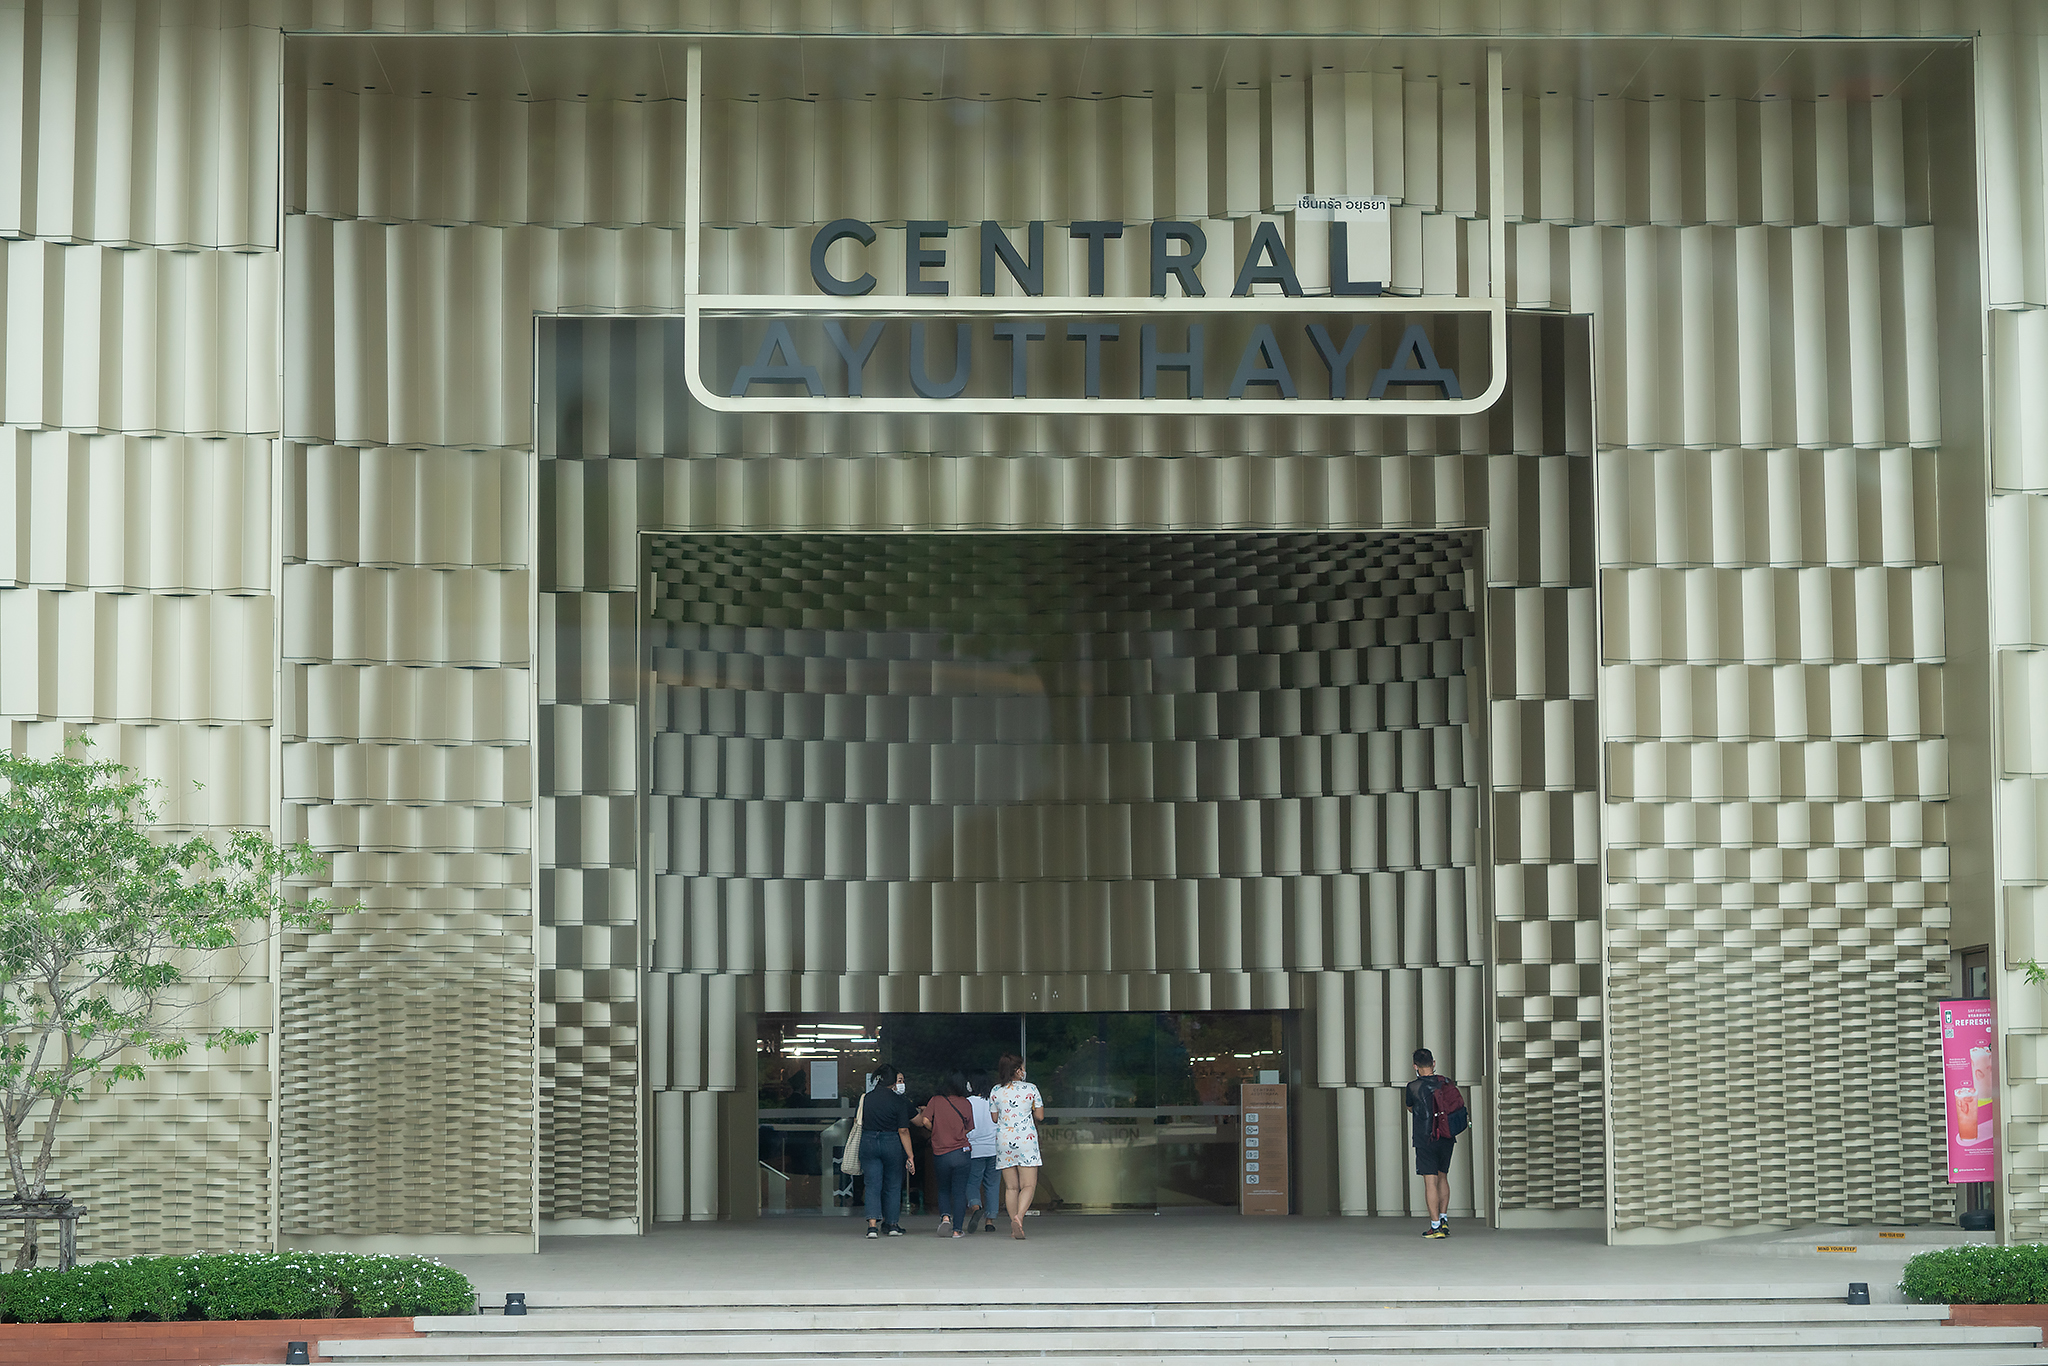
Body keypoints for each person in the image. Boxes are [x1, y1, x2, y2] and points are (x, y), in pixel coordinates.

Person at [1403, 1046, 1458, 1239]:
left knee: (1430, 1181)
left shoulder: (1413, 1087)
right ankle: (1444, 1220)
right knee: (1443, 1177)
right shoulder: (1447, 1082)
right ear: (1433, 1063)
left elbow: (1410, 1107)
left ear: (1415, 1067)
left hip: (1425, 1138)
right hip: (1446, 1136)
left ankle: (1435, 1227)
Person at [988, 1052, 1044, 1240]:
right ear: (1018, 1070)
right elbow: (1040, 1116)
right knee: (1028, 1185)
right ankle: (1019, 1217)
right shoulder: (1032, 1089)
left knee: (1011, 1187)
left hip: (1004, 1140)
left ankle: (1014, 1226)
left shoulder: (996, 1090)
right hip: (1026, 1140)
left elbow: (994, 1118)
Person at [858, 1062, 916, 1238]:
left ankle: (872, 1226)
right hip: (891, 1141)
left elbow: (857, 1121)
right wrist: (910, 1155)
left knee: (872, 1184)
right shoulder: (898, 1101)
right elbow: (903, 1130)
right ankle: (891, 1224)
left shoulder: (867, 1098)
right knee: (892, 1184)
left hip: (868, 1141)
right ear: (893, 1082)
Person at [915, 1072, 976, 1238]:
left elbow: (925, 1121)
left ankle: (946, 1217)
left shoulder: (935, 1100)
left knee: (943, 1189)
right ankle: (957, 1230)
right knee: (959, 1191)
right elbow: (970, 1127)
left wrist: (936, 1131)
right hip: (961, 1152)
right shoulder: (965, 1103)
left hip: (941, 1152)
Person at [963, 1072, 1001, 1233]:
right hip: (994, 1148)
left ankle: (975, 1205)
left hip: (974, 1149)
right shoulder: (994, 1101)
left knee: (972, 1182)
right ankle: (990, 1221)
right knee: (992, 1185)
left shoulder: (967, 1103)